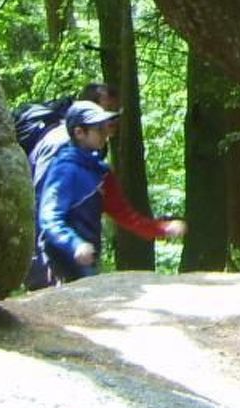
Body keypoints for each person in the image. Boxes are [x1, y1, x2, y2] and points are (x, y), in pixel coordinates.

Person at [30, 89, 186, 286]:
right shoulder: (64, 170)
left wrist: (162, 229)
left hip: (86, 260)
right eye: (99, 129)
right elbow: (49, 218)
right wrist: (75, 245)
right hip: (57, 264)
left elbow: (125, 215)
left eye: (105, 127)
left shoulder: (101, 172)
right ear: (79, 133)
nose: (106, 133)